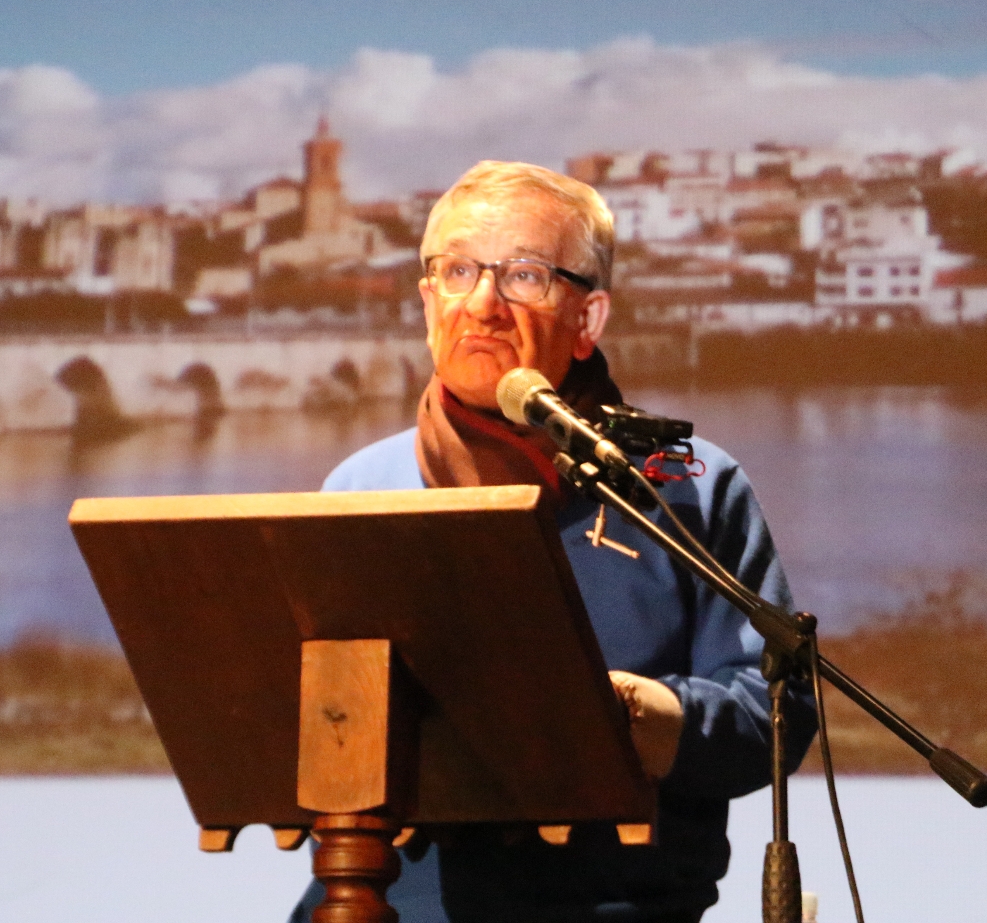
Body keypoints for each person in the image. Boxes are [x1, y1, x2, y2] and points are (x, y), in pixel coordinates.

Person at [290, 161, 816, 923]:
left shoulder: (688, 487)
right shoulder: (362, 486)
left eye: (525, 277)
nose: (483, 305)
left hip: (611, 900)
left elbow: (772, 709)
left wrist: (647, 715)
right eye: (459, 271)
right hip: (389, 901)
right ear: (427, 299)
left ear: (588, 319)